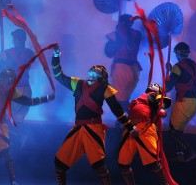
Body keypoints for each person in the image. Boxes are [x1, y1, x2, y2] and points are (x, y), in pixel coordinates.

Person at [52, 46, 137, 185]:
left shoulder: (106, 89)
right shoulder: (77, 84)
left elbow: (117, 109)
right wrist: (56, 56)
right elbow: (58, 76)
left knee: (99, 165)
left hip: (94, 129)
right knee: (59, 162)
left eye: (95, 75)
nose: (91, 77)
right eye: (90, 73)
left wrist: (129, 126)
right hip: (78, 129)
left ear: (101, 78)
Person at [118, 83, 172, 185]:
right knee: (123, 164)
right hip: (130, 129)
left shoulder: (155, 95)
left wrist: (161, 108)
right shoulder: (140, 98)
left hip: (145, 128)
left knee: (153, 163)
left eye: (155, 85)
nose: (152, 85)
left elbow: (161, 103)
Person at [165, 42, 196, 162]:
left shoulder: (178, 67)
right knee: (178, 130)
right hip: (194, 101)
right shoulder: (195, 65)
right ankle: (179, 155)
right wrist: (172, 71)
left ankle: (190, 152)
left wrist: (167, 78)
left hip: (184, 101)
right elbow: (186, 77)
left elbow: (169, 87)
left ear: (178, 54)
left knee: (173, 131)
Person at [104, 14, 142, 113]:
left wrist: (117, 37)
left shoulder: (116, 35)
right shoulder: (137, 35)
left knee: (120, 99)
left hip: (122, 69)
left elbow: (108, 53)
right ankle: (122, 121)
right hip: (134, 70)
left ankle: (133, 119)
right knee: (124, 96)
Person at [0, 28, 35, 122]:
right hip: (17, 89)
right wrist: (3, 62)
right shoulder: (10, 53)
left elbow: (16, 69)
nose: (15, 41)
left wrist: (5, 61)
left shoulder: (28, 53)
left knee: (16, 119)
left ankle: (16, 135)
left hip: (20, 90)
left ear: (22, 40)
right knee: (13, 119)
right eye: (15, 39)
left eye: (16, 39)